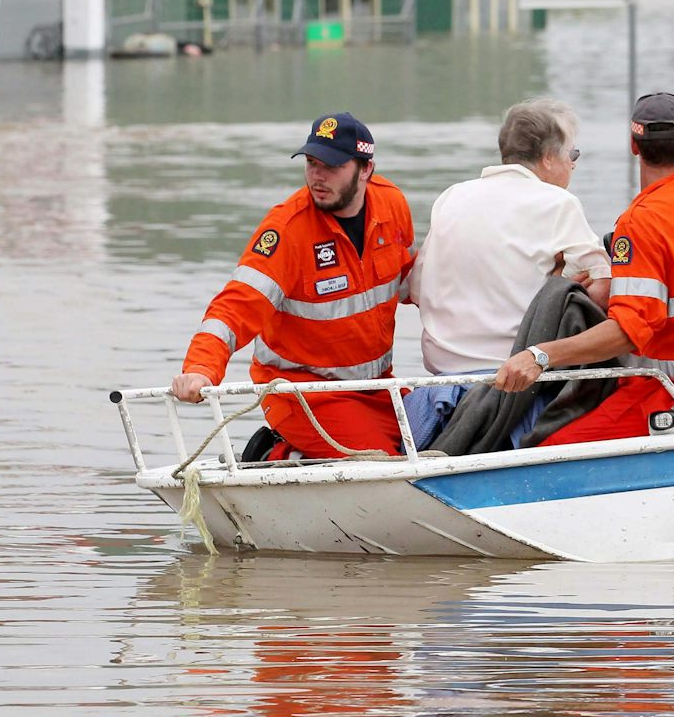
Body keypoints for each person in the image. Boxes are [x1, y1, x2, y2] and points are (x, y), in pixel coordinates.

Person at [492, 92, 674, 441]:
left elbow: (630, 331)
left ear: (633, 145)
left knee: (548, 449)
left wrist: (539, 355)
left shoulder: (640, 223)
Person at [171, 112, 416, 459]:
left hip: (375, 387)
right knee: (378, 461)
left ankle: (295, 453)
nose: (317, 175)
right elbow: (233, 308)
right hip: (301, 393)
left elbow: (413, 283)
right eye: (312, 163)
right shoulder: (288, 230)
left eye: (331, 166)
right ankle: (278, 455)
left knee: (440, 438)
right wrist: (200, 370)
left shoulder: (392, 206)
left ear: (366, 169)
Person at [403, 99, 611, 444]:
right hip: (516, 392)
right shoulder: (557, 203)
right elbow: (603, 290)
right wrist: (559, 293)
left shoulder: (452, 197)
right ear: (548, 158)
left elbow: (417, 288)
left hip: (438, 393)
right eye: (572, 156)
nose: (573, 167)